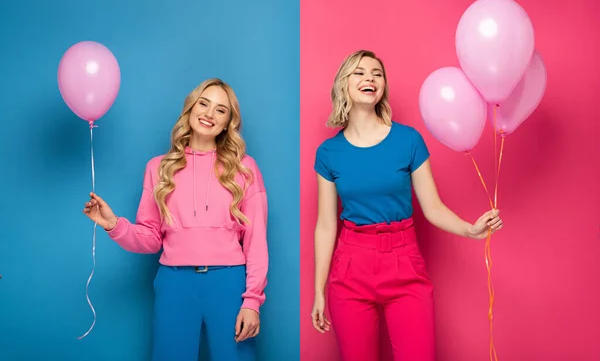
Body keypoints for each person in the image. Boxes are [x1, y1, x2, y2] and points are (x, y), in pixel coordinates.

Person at [310, 50, 503, 361]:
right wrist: (318, 292)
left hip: (404, 262)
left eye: (377, 73)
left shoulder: (408, 141)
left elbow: (433, 208)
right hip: (350, 270)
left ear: (383, 86)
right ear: (343, 84)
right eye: (359, 72)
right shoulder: (328, 152)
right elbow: (326, 225)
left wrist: (471, 230)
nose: (370, 78)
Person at [83, 78, 268, 361]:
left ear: (228, 122)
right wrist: (112, 223)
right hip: (174, 283)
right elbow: (149, 238)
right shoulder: (159, 168)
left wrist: (252, 300)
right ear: (190, 108)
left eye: (220, 110)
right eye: (204, 104)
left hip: (229, 283)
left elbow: (256, 242)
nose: (209, 114)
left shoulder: (245, 169)